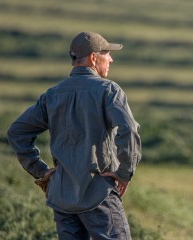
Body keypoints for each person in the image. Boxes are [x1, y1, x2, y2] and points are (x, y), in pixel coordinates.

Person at [7, 31, 141, 240]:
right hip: (98, 193)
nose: (111, 58)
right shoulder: (109, 90)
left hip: (62, 197)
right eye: (106, 53)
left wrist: (40, 171)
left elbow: (17, 132)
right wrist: (124, 173)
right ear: (93, 57)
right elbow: (129, 130)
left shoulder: (53, 94)